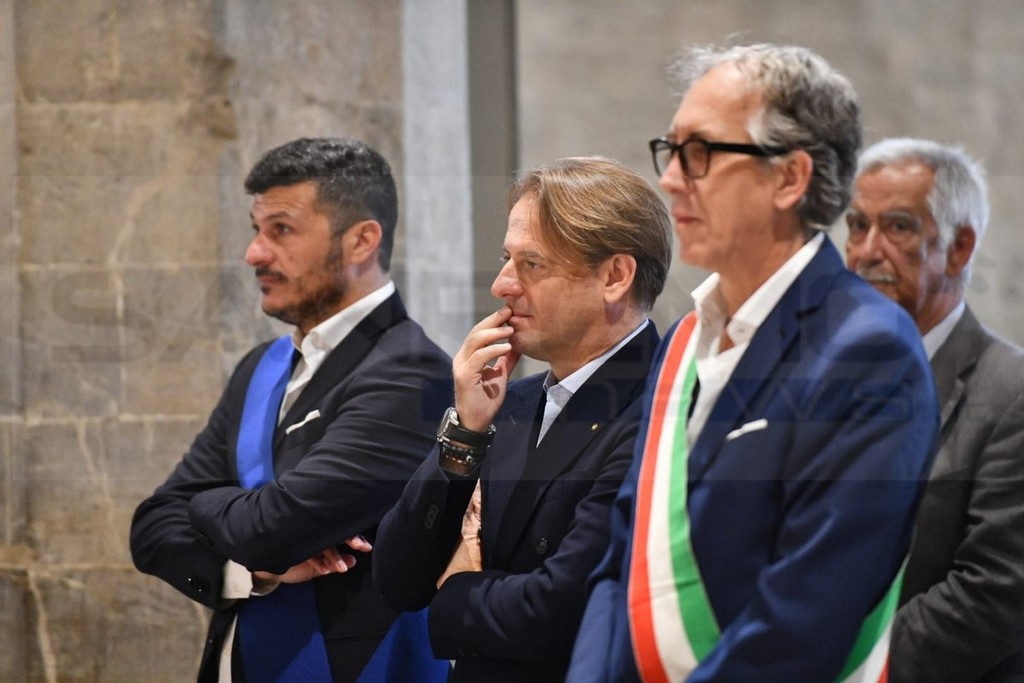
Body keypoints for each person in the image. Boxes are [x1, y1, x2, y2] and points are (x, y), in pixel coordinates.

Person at [568, 44, 940, 683]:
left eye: (700, 152)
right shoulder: (683, 342)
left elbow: (805, 618)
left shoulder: (868, 350)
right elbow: (619, 557)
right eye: (671, 150)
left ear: (789, 178)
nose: (671, 178)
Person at [129, 137, 453, 683]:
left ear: (361, 241)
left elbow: (272, 529)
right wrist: (256, 574)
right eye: (257, 229)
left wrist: (206, 503)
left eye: (281, 229)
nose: (255, 253)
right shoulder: (261, 366)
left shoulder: (412, 372)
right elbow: (153, 527)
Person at [372, 156, 673, 682]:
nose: (502, 285)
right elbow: (397, 579)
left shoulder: (661, 407)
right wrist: (465, 432)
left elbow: (559, 610)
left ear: (615, 276)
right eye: (506, 259)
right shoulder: (508, 403)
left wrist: (453, 590)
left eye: (532, 264)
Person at [845, 137, 1024, 683]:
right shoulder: (824, 378)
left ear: (960, 247)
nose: (867, 251)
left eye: (897, 227)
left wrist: (851, 670)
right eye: (857, 226)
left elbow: (997, 589)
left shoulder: (1011, 391)